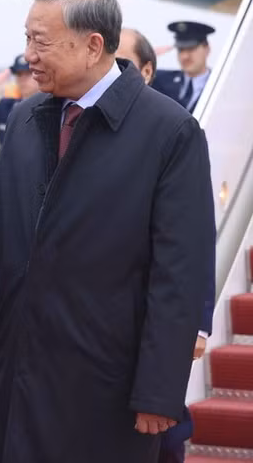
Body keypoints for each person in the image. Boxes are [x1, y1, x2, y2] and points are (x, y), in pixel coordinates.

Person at [0, 0, 215, 463]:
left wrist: (159, 391)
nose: (28, 55)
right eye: (26, 39)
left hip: (106, 384)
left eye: (40, 42)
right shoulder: (28, 117)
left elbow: (180, 272)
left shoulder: (169, 132)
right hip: (18, 368)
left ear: (92, 46)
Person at [117, 26, 215, 463]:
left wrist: (200, 319)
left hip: (160, 315)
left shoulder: (174, 127)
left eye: (123, 67)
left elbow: (194, 238)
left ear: (148, 71)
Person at [151, 21, 215, 113]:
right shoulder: (159, 79)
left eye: (191, 49)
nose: (185, 56)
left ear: (207, 49)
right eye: (181, 50)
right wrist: (145, 57)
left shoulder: (219, 84)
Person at [0, 54, 39, 144]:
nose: (22, 79)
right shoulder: (5, 107)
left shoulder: (51, 107)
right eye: (19, 74)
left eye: (28, 73)